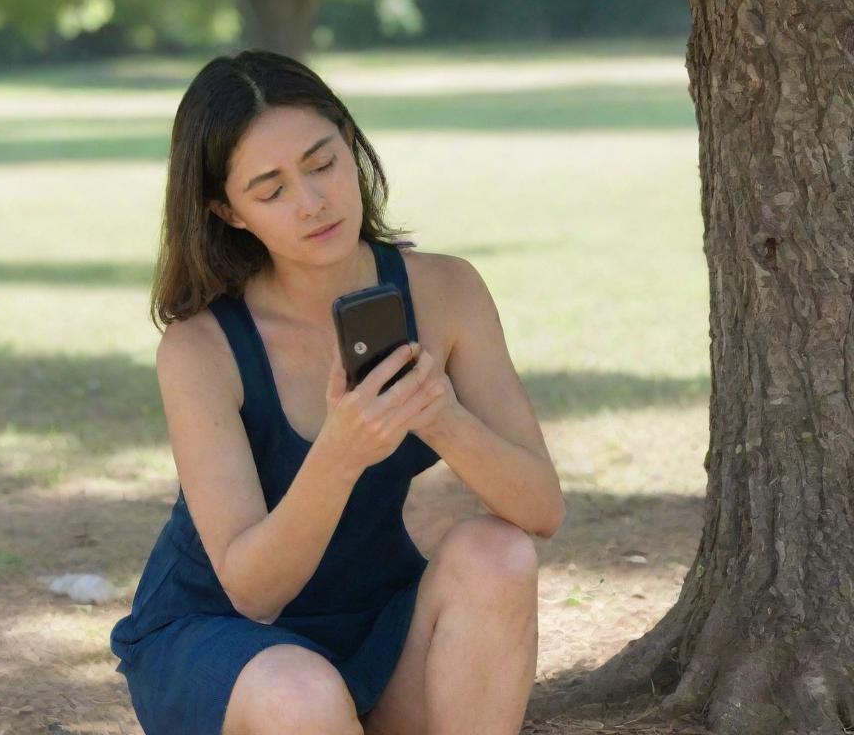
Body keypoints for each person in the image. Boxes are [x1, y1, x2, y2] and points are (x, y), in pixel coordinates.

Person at [109, 48, 565, 735]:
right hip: (225, 641)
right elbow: (254, 592)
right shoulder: (201, 350)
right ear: (227, 212)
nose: (312, 202)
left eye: (322, 163)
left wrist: (439, 415)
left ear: (352, 146)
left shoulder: (447, 292)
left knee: (497, 554)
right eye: (271, 190)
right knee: (305, 696)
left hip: (373, 622)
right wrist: (341, 450)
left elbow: (540, 509)